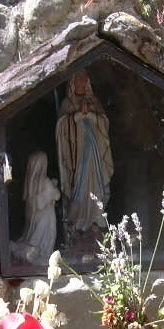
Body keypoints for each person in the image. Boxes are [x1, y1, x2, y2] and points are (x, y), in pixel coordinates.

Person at [56, 70, 114, 232]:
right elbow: (61, 127)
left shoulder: (94, 101)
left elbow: (104, 122)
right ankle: (79, 219)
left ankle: (97, 217)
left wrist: (91, 116)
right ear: (73, 81)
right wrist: (78, 116)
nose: (82, 80)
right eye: (79, 77)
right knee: (79, 182)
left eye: (84, 77)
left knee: (95, 182)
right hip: (77, 153)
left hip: (94, 151)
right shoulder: (68, 103)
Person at [11, 151, 60, 263]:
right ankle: (38, 252)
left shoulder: (30, 182)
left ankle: (27, 249)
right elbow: (56, 196)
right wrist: (54, 185)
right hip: (46, 216)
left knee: (34, 235)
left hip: (35, 217)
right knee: (43, 239)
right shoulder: (45, 181)